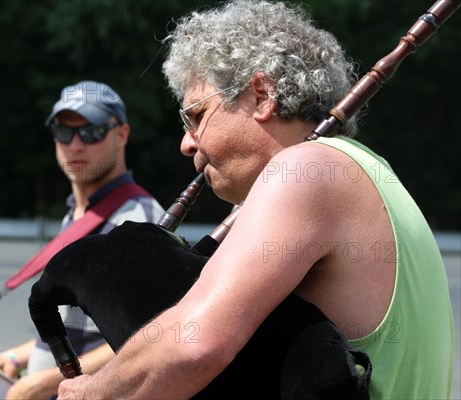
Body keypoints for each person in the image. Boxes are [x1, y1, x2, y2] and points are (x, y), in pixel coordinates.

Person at [56, 1, 455, 399]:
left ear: (262, 95)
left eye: (196, 116)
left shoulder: (304, 170)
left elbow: (193, 344)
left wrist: (91, 393)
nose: (185, 142)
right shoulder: (370, 172)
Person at [0, 80, 165, 399]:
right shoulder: (76, 216)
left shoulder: (137, 220)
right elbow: (76, 328)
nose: (76, 145)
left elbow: (152, 337)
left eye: (91, 131)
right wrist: (14, 357)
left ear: (121, 135)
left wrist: (41, 383)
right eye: (64, 132)